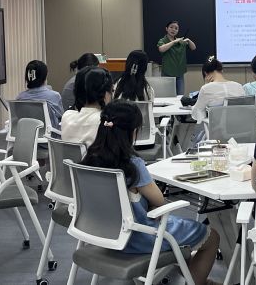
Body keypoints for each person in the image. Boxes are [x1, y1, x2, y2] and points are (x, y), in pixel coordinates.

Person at [80, 100, 221, 285]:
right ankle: (197, 281)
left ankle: (193, 276)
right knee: (212, 237)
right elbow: (159, 201)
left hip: (104, 234)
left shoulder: (89, 159)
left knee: (178, 238)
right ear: (132, 132)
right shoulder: (132, 165)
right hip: (138, 237)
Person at [61, 66, 113, 147]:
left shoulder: (67, 116)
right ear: (106, 94)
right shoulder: (105, 123)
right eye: (112, 90)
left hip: (68, 156)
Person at [191, 56, 244, 123]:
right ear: (222, 71)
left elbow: (196, 113)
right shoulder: (238, 86)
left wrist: (206, 84)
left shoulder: (206, 88)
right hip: (239, 126)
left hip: (217, 127)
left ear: (205, 73)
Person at [16, 60, 63, 129]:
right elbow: (61, 117)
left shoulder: (20, 98)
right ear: (45, 76)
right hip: (50, 134)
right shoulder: (54, 96)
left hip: (27, 133)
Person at [157, 21, 196, 95]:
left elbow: (193, 48)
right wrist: (174, 42)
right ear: (166, 28)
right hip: (167, 73)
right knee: (167, 96)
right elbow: (161, 49)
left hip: (179, 74)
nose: (173, 30)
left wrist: (188, 40)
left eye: (176, 28)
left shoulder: (180, 41)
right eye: (171, 27)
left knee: (180, 96)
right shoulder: (163, 40)